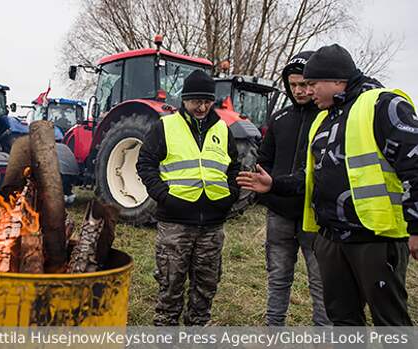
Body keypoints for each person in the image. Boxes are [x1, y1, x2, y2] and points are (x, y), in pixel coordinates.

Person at [237, 44, 418, 326]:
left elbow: (414, 165)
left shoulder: (383, 105)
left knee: (390, 322)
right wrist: (275, 185)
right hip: (331, 238)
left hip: (376, 239)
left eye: (312, 84)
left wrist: (416, 227)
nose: (306, 91)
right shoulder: (324, 118)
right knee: (343, 320)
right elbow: (312, 177)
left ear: (338, 80)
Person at [137, 70, 240, 326]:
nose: (202, 107)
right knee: (170, 286)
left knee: (206, 288)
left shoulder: (223, 130)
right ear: (184, 100)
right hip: (175, 223)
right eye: (196, 101)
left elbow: (235, 167)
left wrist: (230, 196)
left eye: (207, 101)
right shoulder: (165, 126)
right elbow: (145, 164)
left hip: (212, 225)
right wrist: (163, 195)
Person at [257, 51, 331, 326]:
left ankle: (323, 338)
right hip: (279, 213)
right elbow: (264, 159)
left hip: (315, 215)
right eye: (293, 85)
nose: (299, 90)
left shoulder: (328, 118)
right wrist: (261, 188)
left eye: (304, 84)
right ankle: (273, 331)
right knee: (278, 277)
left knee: (320, 282)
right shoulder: (279, 119)